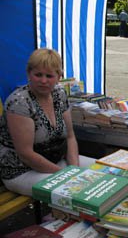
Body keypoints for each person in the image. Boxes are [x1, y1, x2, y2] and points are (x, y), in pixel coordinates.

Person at [0, 48, 95, 196]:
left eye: (49, 76)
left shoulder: (59, 93)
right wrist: (67, 175)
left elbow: (70, 137)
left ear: (59, 76)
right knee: (77, 191)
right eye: (38, 75)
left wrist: (74, 170)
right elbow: (26, 154)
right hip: (22, 171)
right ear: (29, 74)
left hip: (56, 161)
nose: (43, 81)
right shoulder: (19, 102)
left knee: (105, 173)